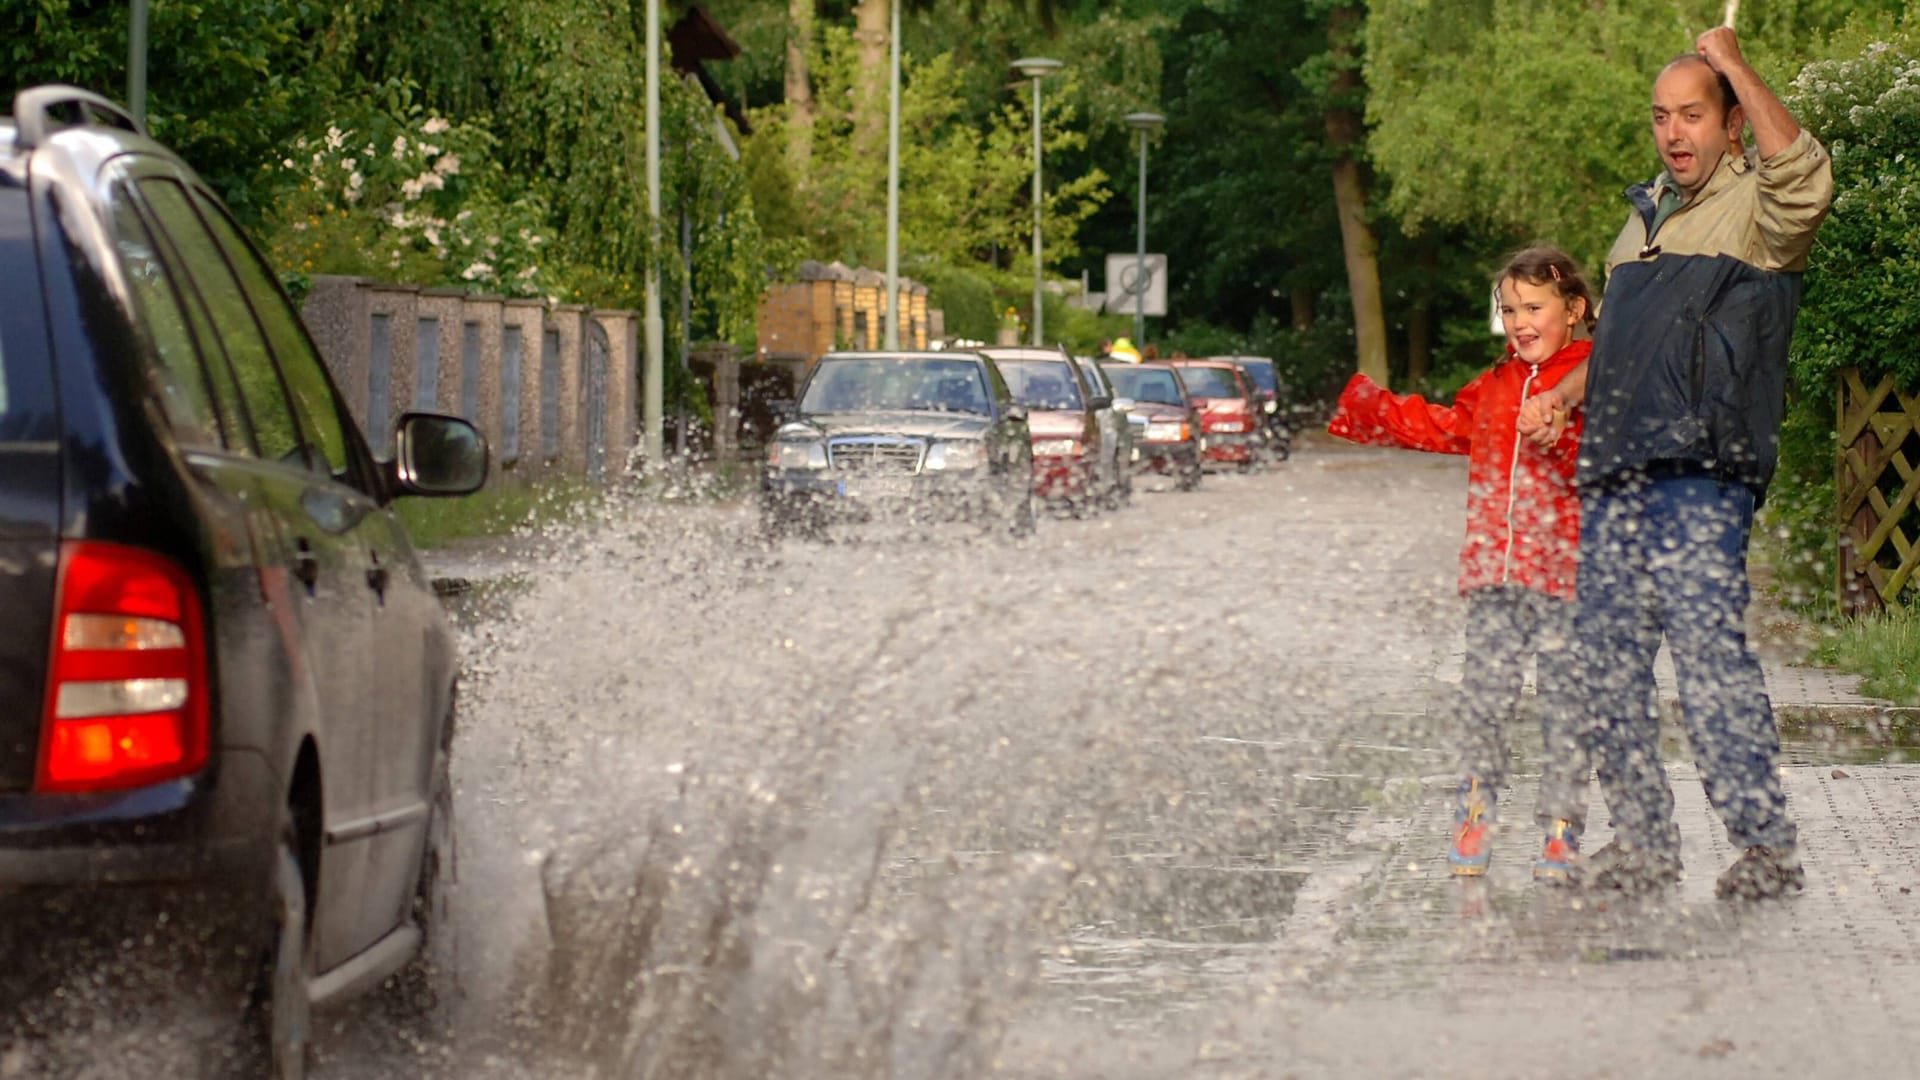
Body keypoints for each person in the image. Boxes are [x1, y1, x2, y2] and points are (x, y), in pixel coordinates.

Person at [1516, 28, 1834, 900]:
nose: (1673, 131)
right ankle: (1647, 845)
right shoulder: (1645, 217)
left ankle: (1768, 850)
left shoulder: (1761, 211)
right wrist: (1564, 396)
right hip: (1619, 472)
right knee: (1605, 662)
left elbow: (1805, 172)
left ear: (1730, 123)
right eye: (1661, 117)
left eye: (1693, 114)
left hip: (1702, 473)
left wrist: (1734, 63)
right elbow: (1627, 342)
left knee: (1705, 656)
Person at [1329, 246, 1600, 881]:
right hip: (1495, 576)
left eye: (1534, 307)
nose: (1520, 321)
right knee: (1485, 702)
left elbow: (1597, 468)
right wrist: (1374, 411)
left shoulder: (1591, 377)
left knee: (1567, 706)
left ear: (1575, 310)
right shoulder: (1496, 385)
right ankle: (1474, 814)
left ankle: (1561, 833)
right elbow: (1450, 427)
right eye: (1509, 310)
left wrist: (1558, 434)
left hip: (1568, 578)